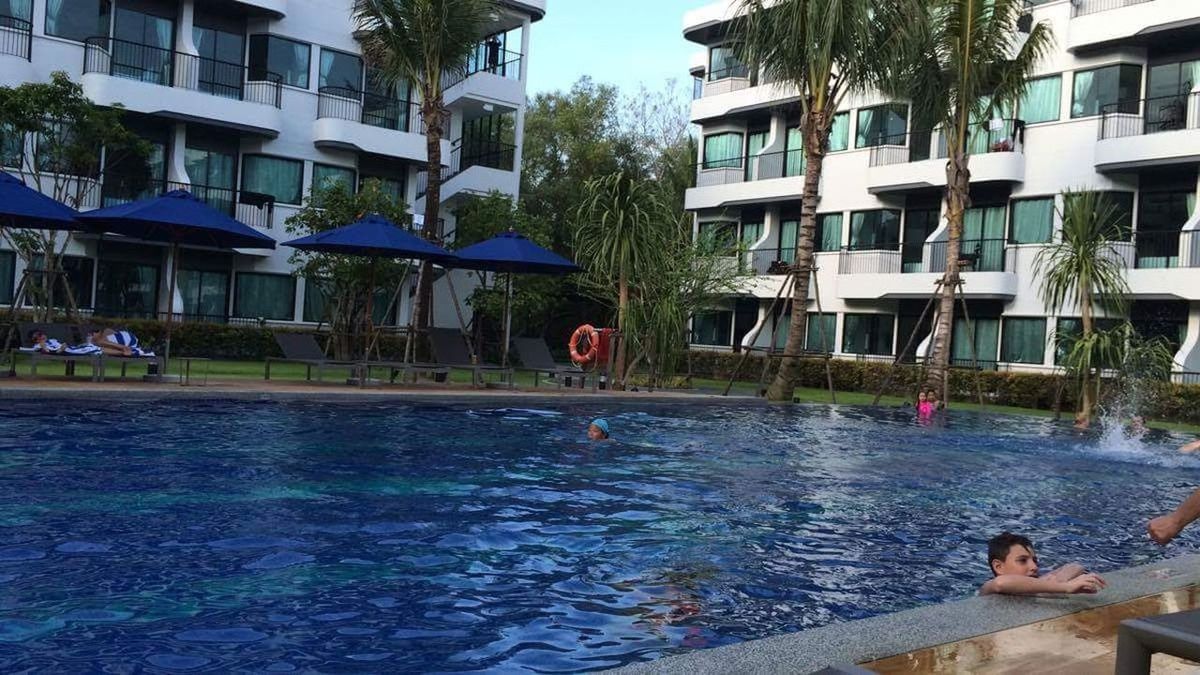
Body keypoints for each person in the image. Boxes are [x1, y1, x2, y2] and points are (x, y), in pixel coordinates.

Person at [979, 532, 1106, 596]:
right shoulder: (988, 590)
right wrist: (1065, 587)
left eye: (1034, 560)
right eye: (1022, 560)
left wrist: (1058, 581)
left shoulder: (1038, 583)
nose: (1034, 567)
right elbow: (1000, 583)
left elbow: (1075, 567)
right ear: (998, 567)